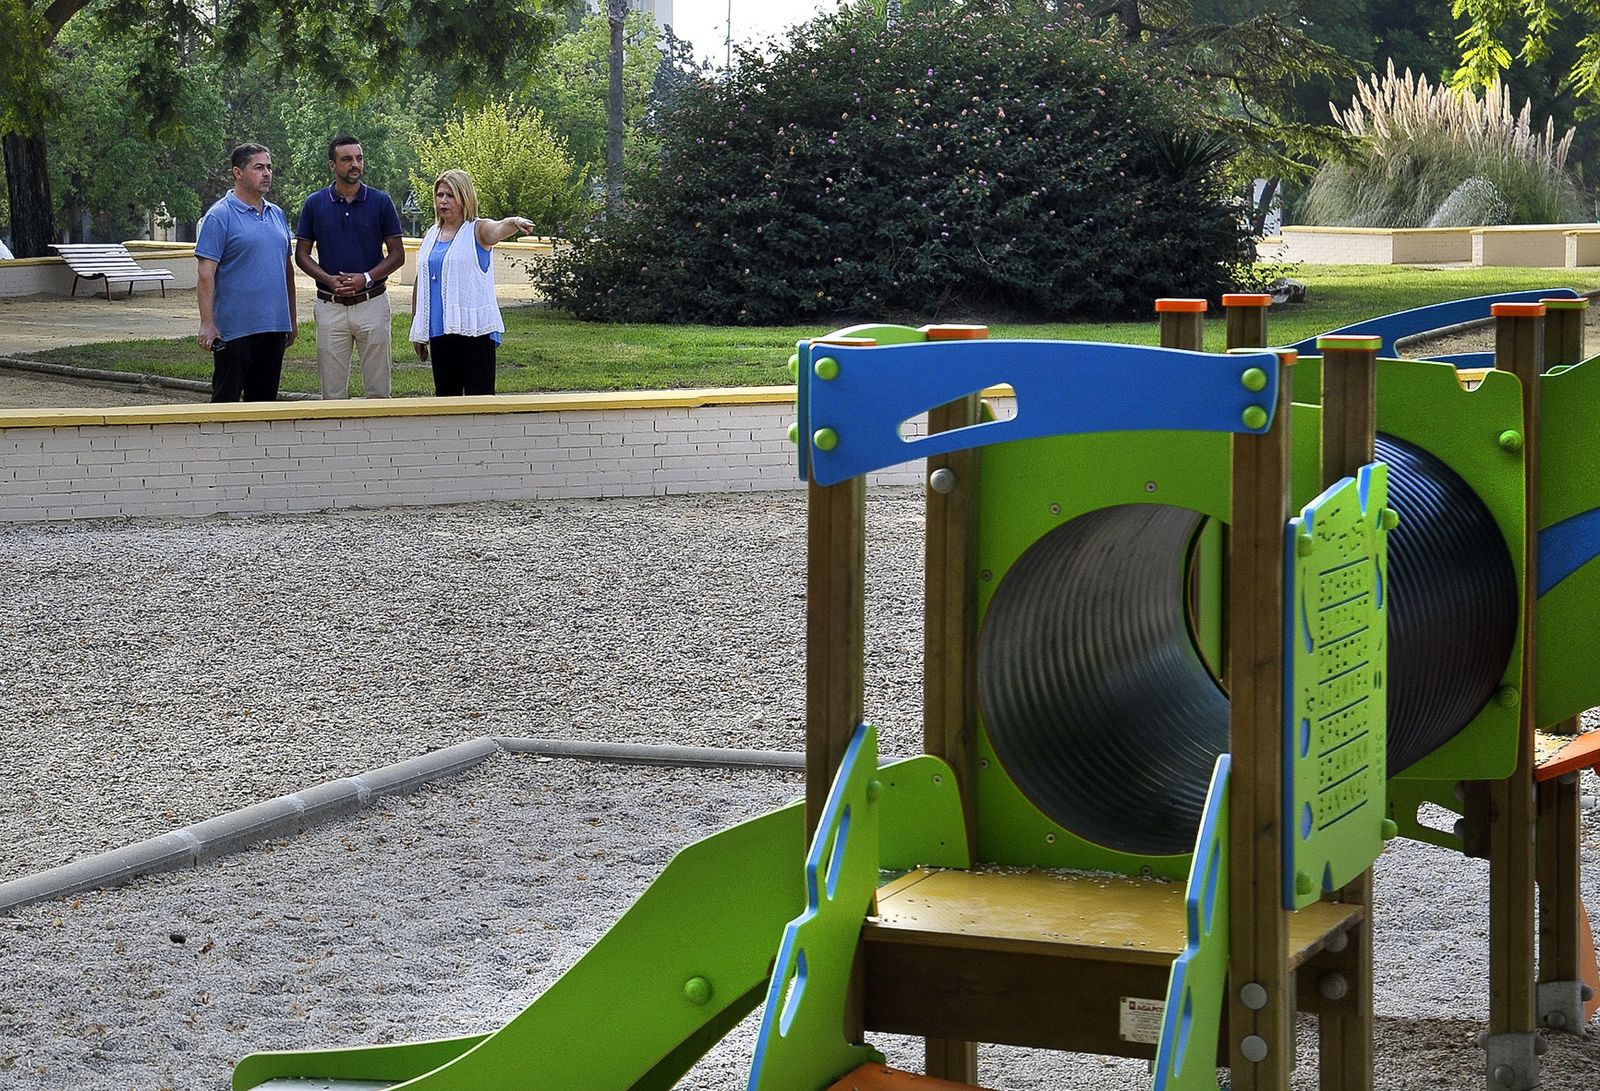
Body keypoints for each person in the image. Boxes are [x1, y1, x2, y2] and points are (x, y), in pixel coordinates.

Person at [294, 135, 405, 399]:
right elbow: (302, 255)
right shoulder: (315, 203)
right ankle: (334, 439)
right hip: (330, 306)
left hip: (372, 304)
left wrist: (366, 278)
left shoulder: (380, 202)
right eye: (347, 159)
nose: (355, 164)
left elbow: (397, 254)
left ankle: (377, 438)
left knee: (379, 393)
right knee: (331, 395)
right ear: (332, 165)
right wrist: (328, 279)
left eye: (359, 158)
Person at [408, 169, 534, 396]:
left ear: (464, 197)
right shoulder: (431, 234)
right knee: (446, 399)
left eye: (450, 195)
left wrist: (515, 222)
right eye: (440, 195)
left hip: (474, 331)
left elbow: (498, 228)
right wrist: (417, 328)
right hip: (440, 331)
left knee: (479, 399)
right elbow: (422, 278)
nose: (443, 201)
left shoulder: (477, 230)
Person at [196, 144, 297, 401]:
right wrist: (207, 324)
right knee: (225, 403)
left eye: (269, 167)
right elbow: (206, 274)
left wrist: (291, 320)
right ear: (238, 172)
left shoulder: (277, 214)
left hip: (274, 328)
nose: (267, 173)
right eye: (259, 167)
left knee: (263, 406)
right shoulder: (219, 216)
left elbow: (286, 270)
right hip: (234, 330)